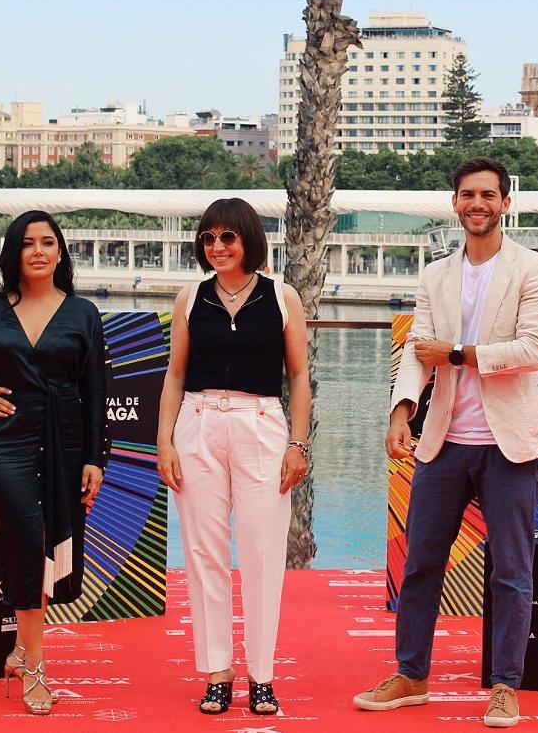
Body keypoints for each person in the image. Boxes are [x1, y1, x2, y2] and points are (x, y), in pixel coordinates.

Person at [353, 157, 538, 728]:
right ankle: (412, 675)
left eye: (488, 195)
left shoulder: (534, 269)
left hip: (508, 445)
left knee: (512, 572)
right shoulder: (435, 275)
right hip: (443, 443)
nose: (477, 204)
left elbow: (534, 350)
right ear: (455, 203)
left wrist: (461, 355)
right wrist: (402, 409)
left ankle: (504, 686)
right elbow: (419, 349)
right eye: (468, 195)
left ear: (505, 203)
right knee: (420, 566)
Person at [0, 210, 107, 716]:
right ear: (14, 251)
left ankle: (19, 649)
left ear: (60, 251)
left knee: (52, 546)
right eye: (27, 243)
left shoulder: (82, 313)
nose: (38, 251)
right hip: (7, 443)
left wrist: (95, 458)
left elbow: (96, 392)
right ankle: (36, 668)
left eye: (47, 242)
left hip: (67, 445)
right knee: (27, 544)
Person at [157, 197, 311, 716]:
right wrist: (164, 441)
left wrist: (298, 442)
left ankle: (261, 676)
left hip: (263, 426)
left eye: (227, 237)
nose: (217, 247)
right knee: (204, 554)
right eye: (208, 238)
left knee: (263, 552)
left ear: (249, 239)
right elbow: (175, 374)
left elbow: (299, 376)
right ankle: (217, 672)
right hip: (197, 424)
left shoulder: (281, 296)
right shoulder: (190, 297)